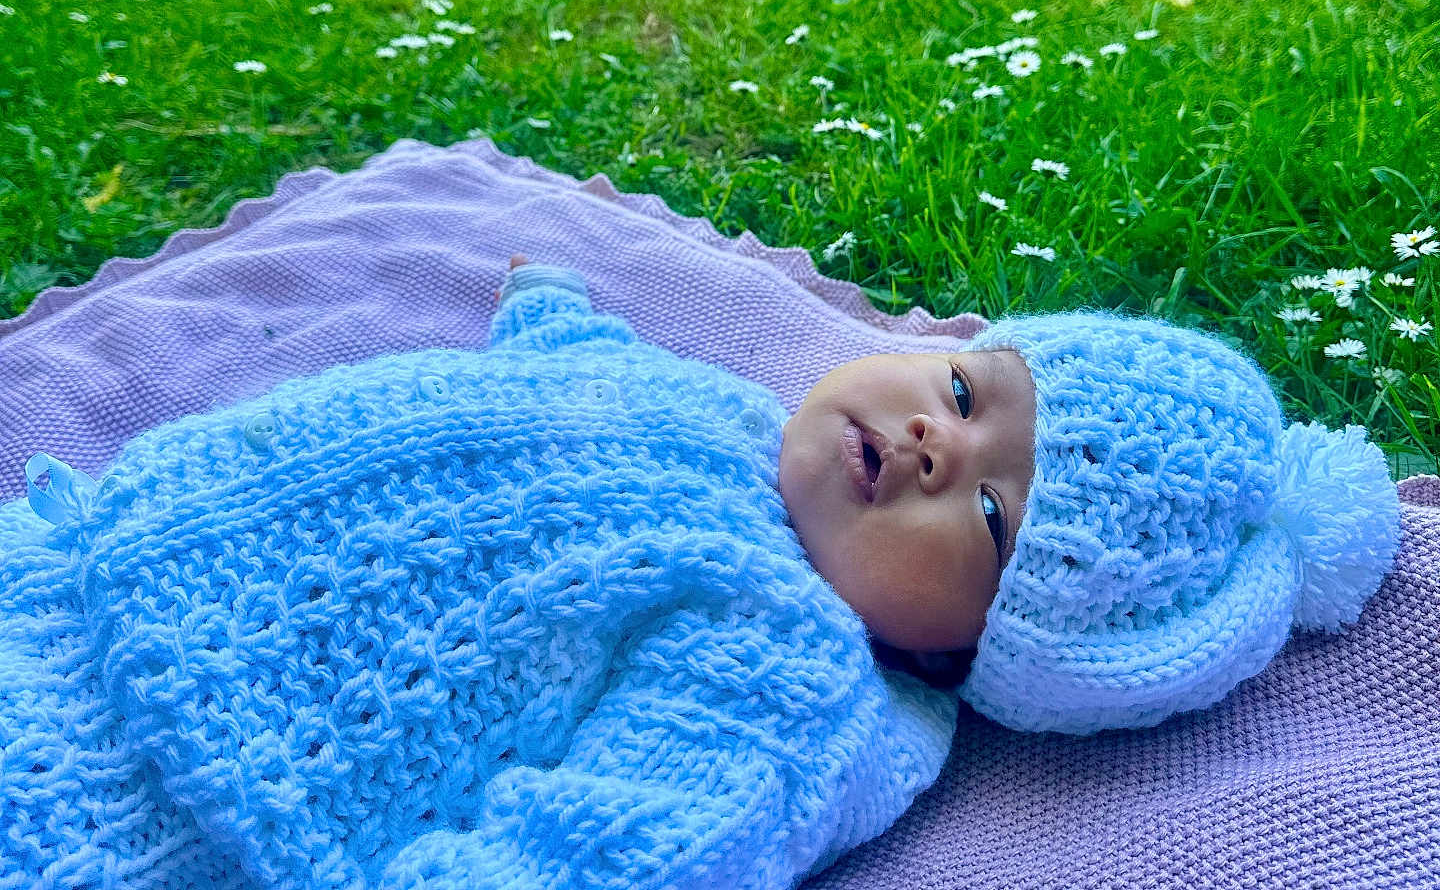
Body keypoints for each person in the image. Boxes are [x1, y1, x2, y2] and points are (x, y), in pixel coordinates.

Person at [0, 254, 1400, 890]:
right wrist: (553, 328)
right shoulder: (742, 415)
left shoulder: (796, 686)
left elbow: (611, 848)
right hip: (74, 572)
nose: (931, 445)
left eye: (990, 521)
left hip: (153, 786)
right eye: (973, 396)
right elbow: (595, 387)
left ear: (974, 658)